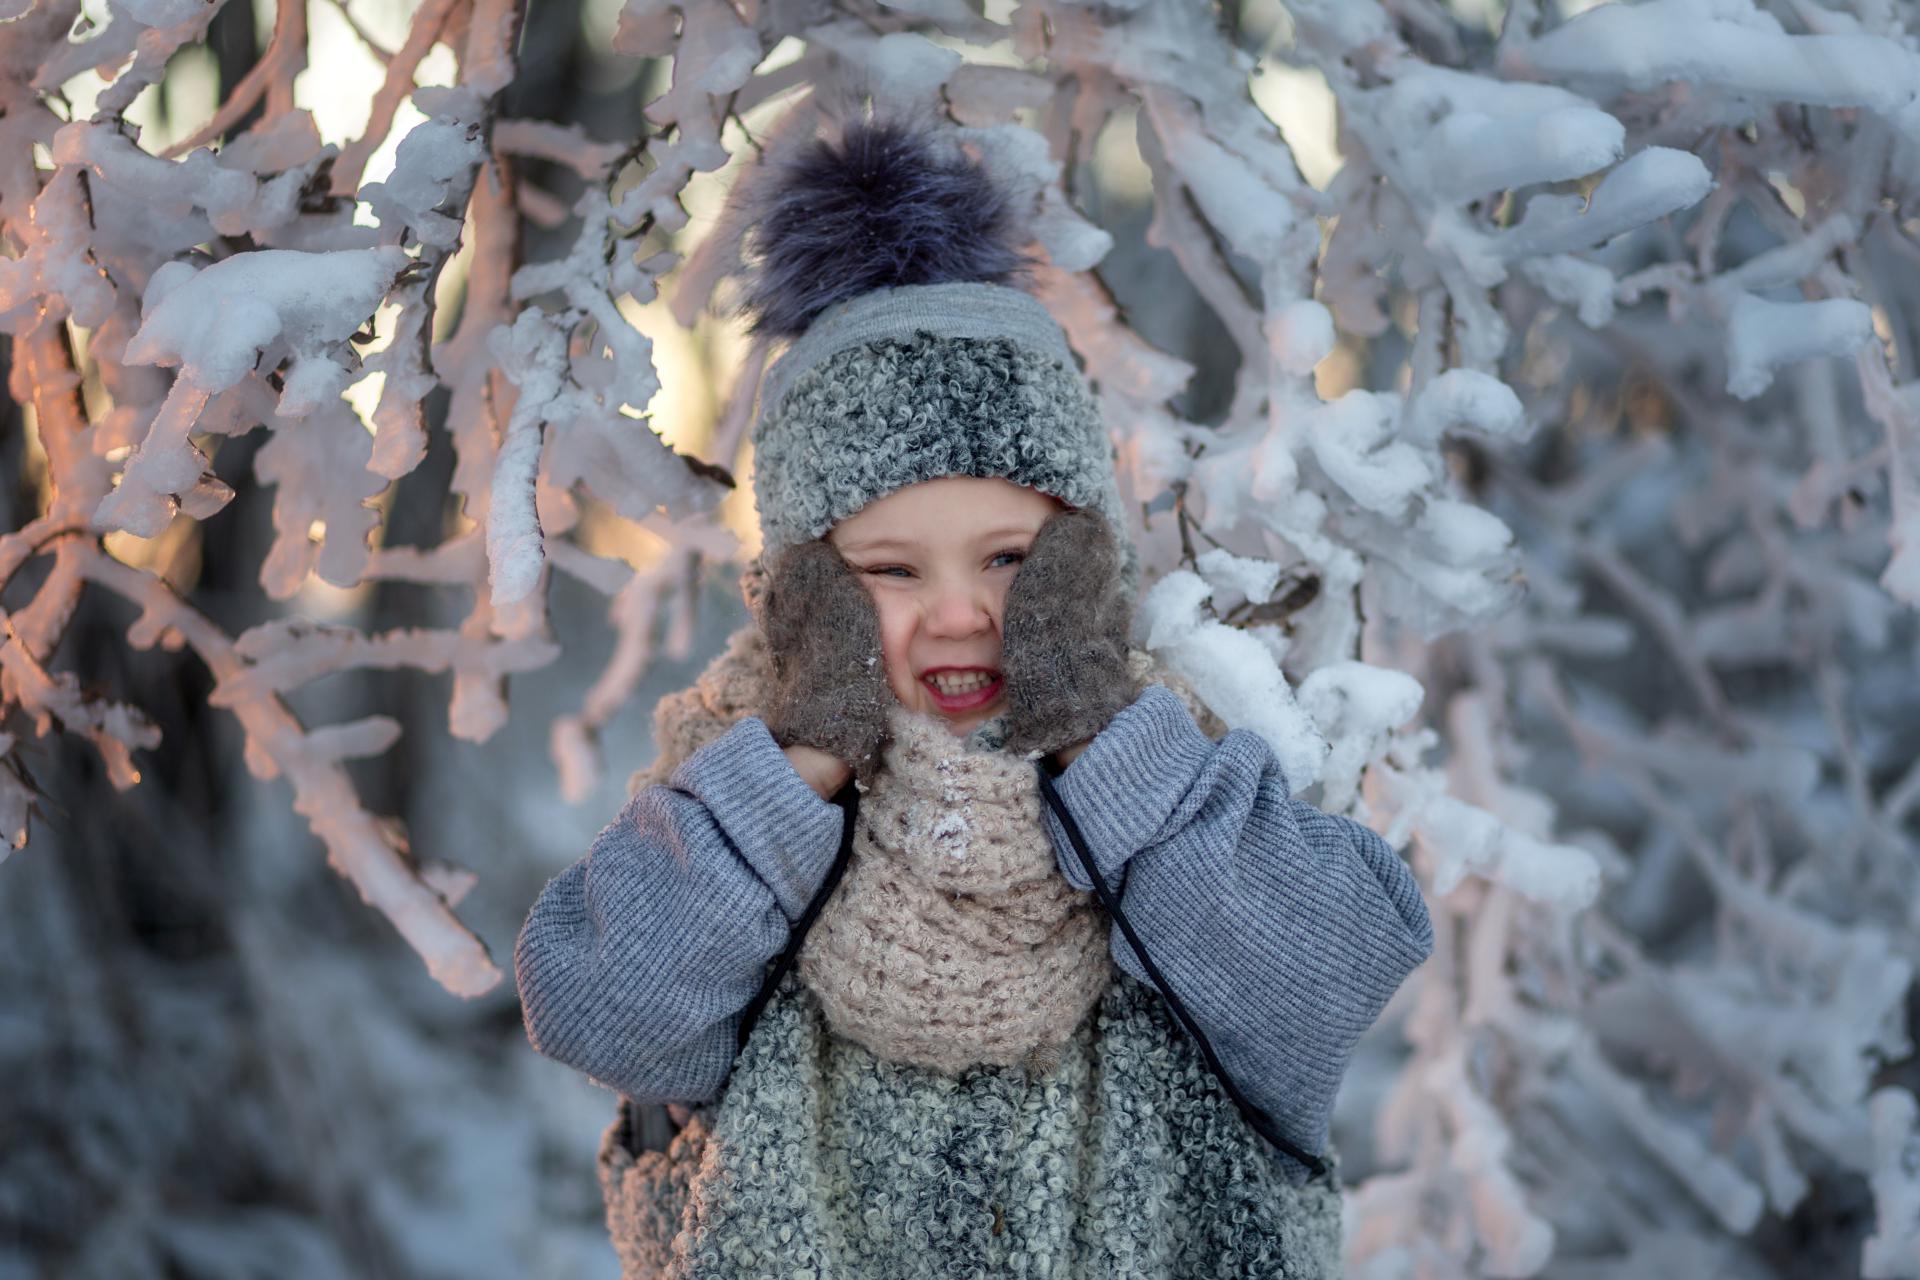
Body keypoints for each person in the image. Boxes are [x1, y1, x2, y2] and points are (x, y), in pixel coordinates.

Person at [513, 116, 1435, 1279]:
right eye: (890, 571)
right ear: (800, 591)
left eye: (1007, 560)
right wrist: (802, 758)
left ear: (1086, 559)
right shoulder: (741, 782)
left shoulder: (1171, 763)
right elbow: (602, 1010)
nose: (959, 615)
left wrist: (1097, 731)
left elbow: (1324, 976)